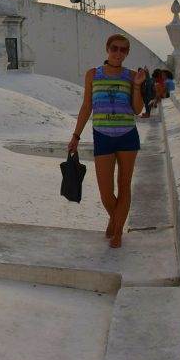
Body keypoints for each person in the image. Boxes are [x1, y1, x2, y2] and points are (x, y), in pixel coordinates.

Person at [67, 34, 145, 248]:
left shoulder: (131, 76)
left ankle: (118, 231)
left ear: (127, 53)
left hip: (128, 135)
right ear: (107, 49)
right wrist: (76, 135)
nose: (118, 53)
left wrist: (137, 86)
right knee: (105, 190)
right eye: (114, 48)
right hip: (102, 136)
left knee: (124, 185)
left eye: (123, 50)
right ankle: (115, 218)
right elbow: (86, 106)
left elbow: (137, 110)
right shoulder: (93, 75)